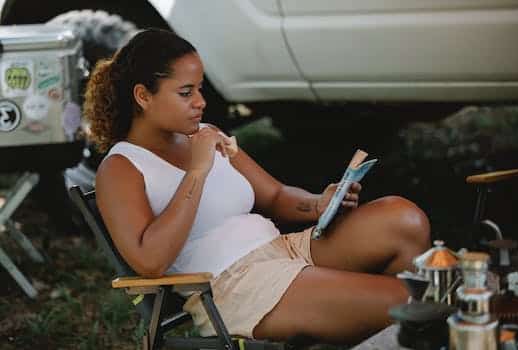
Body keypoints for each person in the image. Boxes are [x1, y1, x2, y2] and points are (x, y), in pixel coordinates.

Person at [86, 28, 430, 344]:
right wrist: (197, 170)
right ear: (143, 96)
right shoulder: (121, 168)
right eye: (185, 92)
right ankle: (409, 329)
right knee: (412, 302)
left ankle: (396, 334)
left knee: (403, 219)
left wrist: (318, 204)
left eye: (200, 89)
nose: (201, 102)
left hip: (283, 250)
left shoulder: (208, 134)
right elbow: (150, 262)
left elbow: (275, 195)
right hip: (235, 288)